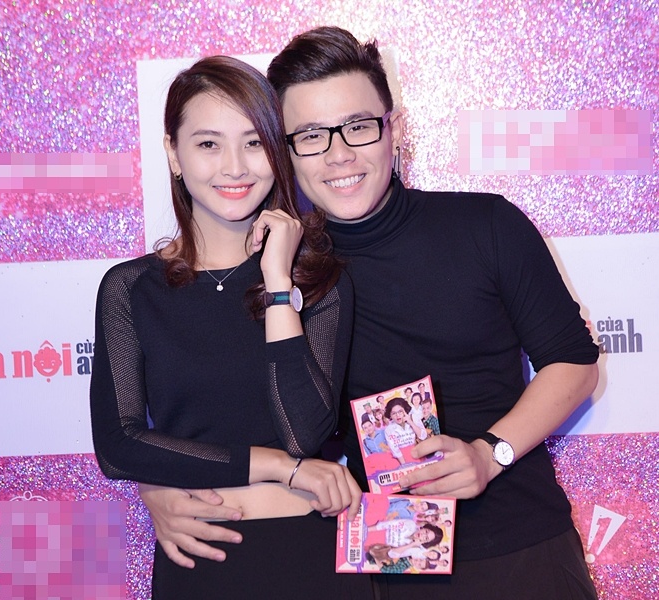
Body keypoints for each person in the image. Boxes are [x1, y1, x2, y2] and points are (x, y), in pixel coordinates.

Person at [135, 26, 600, 600]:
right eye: (310, 136)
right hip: (372, 566)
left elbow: (574, 363)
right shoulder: (279, 267)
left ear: (394, 129)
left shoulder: (486, 225)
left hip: (520, 550)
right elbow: (223, 408)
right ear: (285, 151)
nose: (339, 155)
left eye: (358, 127)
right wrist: (156, 485)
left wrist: (490, 454)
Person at [89, 55, 375, 599]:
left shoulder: (319, 279)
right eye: (208, 144)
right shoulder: (131, 289)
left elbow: (304, 434)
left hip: (310, 557)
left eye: (253, 142)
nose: (235, 167)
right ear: (173, 153)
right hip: (200, 560)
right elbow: (118, 446)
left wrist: (277, 282)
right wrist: (280, 468)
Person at [384, 397, 428, 465]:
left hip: (419, 452)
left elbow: (423, 436)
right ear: (390, 416)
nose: (398, 415)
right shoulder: (389, 429)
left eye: (400, 411)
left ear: (405, 410)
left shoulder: (414, 418)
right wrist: (405, 465)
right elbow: (395, 450)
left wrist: (410, 422)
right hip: (403, 458)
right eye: (394, 413)